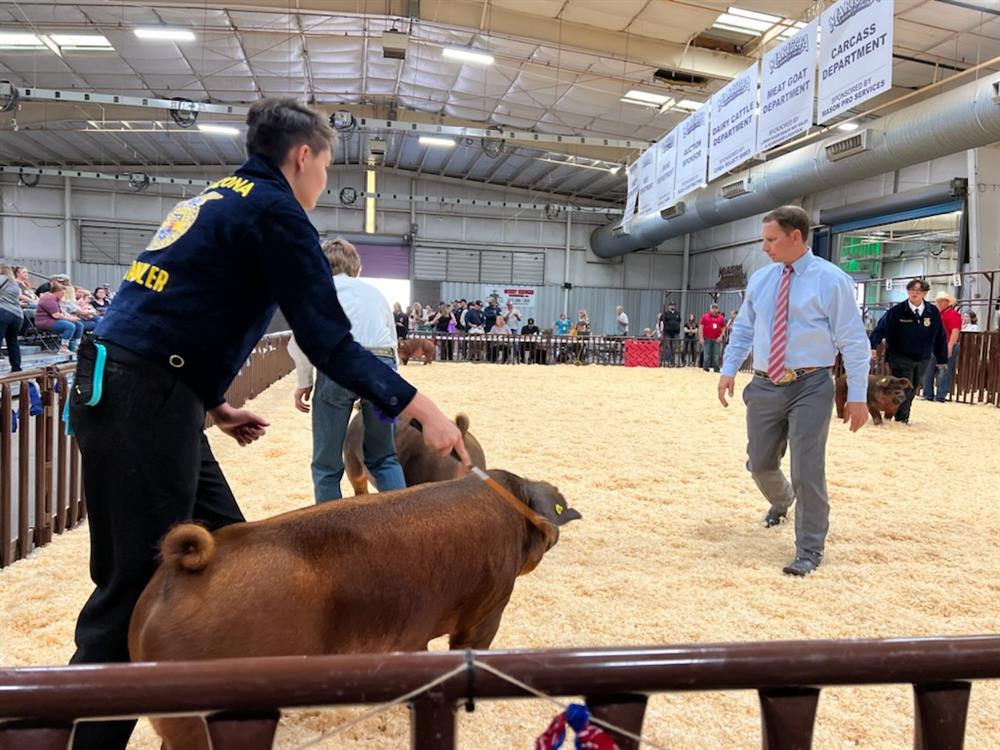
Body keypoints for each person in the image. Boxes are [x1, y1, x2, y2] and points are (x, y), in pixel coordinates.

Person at [66, 98, 469, 750]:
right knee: (131, 591)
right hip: (143, 399)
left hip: (143, 391)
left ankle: (210, 716)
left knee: (230, 556)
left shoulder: (219, 197)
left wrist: (212, 403)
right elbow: (331, 344)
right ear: (303, 155)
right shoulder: (279, 213)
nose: (324, 180)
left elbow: (165, 304)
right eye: (327, 164)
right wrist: (421, 409)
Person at [718, 205, 870, 576]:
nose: (764, 246)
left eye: (771, 239)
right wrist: (728, 368)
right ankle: (782, 500)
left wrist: (858, 395)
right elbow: (743, 329)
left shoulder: (830, 280)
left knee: (808, 469)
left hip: (811, 384)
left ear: (795, 237)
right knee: (760, 462)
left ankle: (809, 549)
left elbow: (853, 339)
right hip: (766, 384)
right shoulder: (762, 280)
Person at [289, 239, 406, 502]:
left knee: (326, 466)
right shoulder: (375, 293)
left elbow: (300, 341)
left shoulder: (317, 291)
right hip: (382, 367)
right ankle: (404, 526)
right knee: (385, 458)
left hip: (338, 365)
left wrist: (304, 382)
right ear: (357, 267)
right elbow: (391, 341)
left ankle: (332, 534)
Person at [869, 278, 947, 423]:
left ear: (924, 293)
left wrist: (942, 358)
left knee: (913, 387)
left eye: (918, 291)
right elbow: (881, 328)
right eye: (911, 290)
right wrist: (873, 345)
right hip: (899, 355)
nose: (914, 293)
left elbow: (940, 335)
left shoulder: (932, 312)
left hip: (923, 357)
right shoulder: (896, 311)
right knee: (904, 386)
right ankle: (901, 419)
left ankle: (899, 415)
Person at [923, 291, 962, 403]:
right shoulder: (936, 314)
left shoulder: (953, 315)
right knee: (929, 370)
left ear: (947, 302)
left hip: (945, 345)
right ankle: (928, 394)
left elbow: (955, 331)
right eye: (938, 301)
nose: (939, 303)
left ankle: (940, 396)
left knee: (944, 370)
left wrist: (950, 346)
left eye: (941, 301)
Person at [35, 279, 84, 355]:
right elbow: (56, 315)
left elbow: (62, 312)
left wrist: (71, 317)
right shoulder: (48, 299)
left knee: (79, 325)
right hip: (45, 322)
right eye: (62, 293)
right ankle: (63, 348)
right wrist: (70, 319)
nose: (63, 295)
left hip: (53, 320)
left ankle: (75, 346)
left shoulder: (57, 299)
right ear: (56, 292)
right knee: (69, 326)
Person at [0, 264, 23, 372]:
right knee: (13, 341)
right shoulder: (15, 284)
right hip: (17, 315)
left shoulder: (1, 279)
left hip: (3, 312)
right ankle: (16, 367)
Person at [699, 303, 726, 373]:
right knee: (706, 354)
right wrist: (701, 337)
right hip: (707, 338)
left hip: (717, 339)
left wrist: (721, 337)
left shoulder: (721, 318)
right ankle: (705, 368)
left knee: (716, 355)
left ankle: (716, 369)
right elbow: (701, 327)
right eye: (713, 308)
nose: (714, 310)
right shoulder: (705, 316)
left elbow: (724, 328)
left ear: (718, 309)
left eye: (716, 308)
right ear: (710, 309)